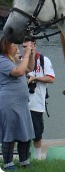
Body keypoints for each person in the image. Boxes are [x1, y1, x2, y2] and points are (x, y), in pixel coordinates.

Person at [0, 37, 36, 170]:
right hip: (9, 103)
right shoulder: (2, 60)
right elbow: (19, 72)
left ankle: (24, 161)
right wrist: (26, 54)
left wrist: (31, 54)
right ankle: (8, 163)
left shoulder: (14, 60)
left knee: (24, 132)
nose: (17, 47)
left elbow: (29, 68)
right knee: (10, 134)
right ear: (6, 46)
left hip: (21, 104)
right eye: (14, 44)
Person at [26, 40, 55, 160]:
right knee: (22, 134)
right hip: (21, 103)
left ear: (35, 46)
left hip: (37, 103)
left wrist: (35, 79)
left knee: (37, 133)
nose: (28, 49)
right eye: (25, 47)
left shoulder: (44, 60)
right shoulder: (20, 60)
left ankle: (37, 158)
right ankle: (25, 158)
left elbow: (51, 78)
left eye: (30, 47)